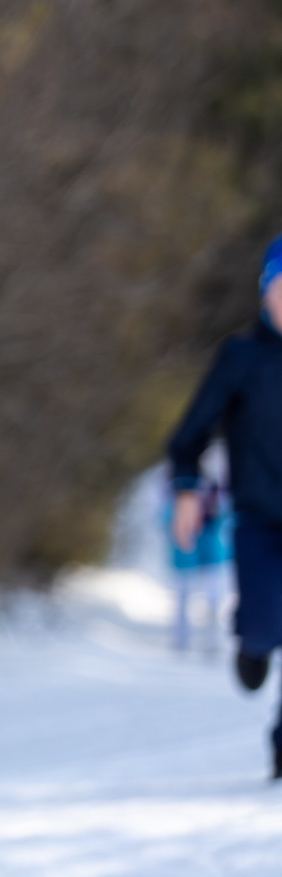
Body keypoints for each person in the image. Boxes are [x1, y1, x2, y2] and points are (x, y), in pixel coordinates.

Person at [169, 236, 282, 777]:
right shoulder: (241, 358)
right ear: (265, 292)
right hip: (258, 517)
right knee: (266, 624)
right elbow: (191, 433)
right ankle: (252, 642)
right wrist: (187, 490)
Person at [168, 450, 232, 655]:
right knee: (184, 590)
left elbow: (228, 511)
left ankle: (211, 639)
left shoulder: (220, 482)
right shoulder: (179, 481)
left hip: (212, 540)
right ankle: (181, 639)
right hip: (186, 538)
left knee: (214, 593)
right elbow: (164, 510)